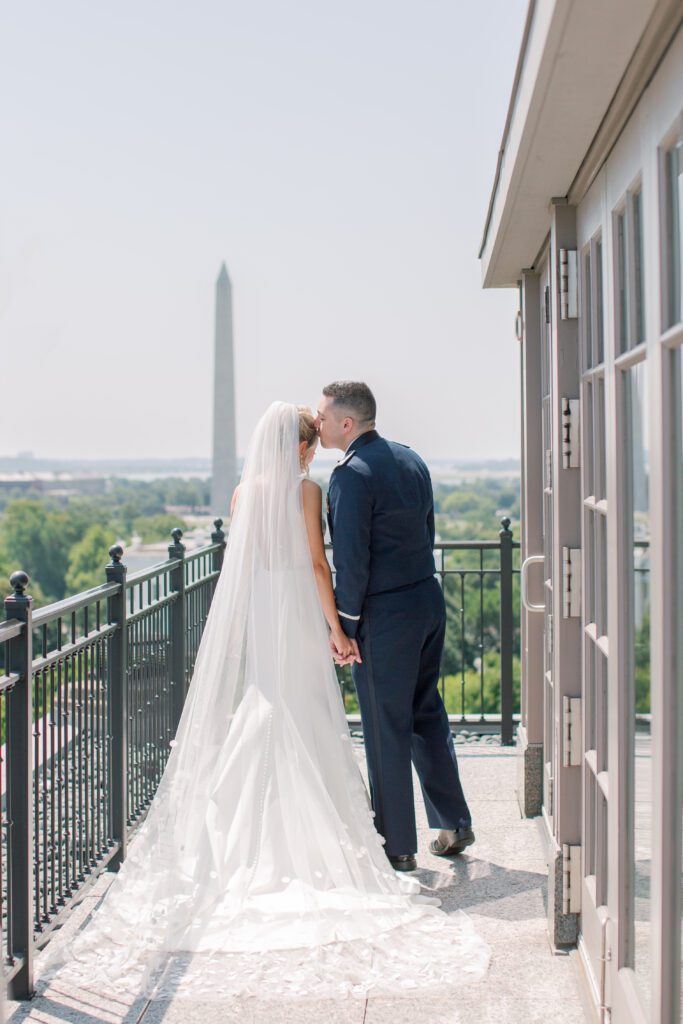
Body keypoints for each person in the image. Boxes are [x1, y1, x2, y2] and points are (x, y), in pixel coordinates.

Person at [38, 401, 489, 1004]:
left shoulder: (241, 493)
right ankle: (373, 832)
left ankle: (240, 834)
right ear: (303, 448)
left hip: (263, 615)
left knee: (264, 708)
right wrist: (337, 627)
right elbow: (319, 566)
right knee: (307, 716)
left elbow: (243, 565)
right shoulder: (311, 490)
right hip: (302, 615)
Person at [317, 381, 474, 869]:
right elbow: (426, 531)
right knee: (426, 712)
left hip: (384, 616)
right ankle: (454, 822)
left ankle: (397, 846)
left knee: (386, 726)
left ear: (347, 423)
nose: (317, 424)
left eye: (323, 416)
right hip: (426, 598)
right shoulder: (411, 459)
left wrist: (343, 628)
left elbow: (351, 563)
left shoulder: (351, 475)